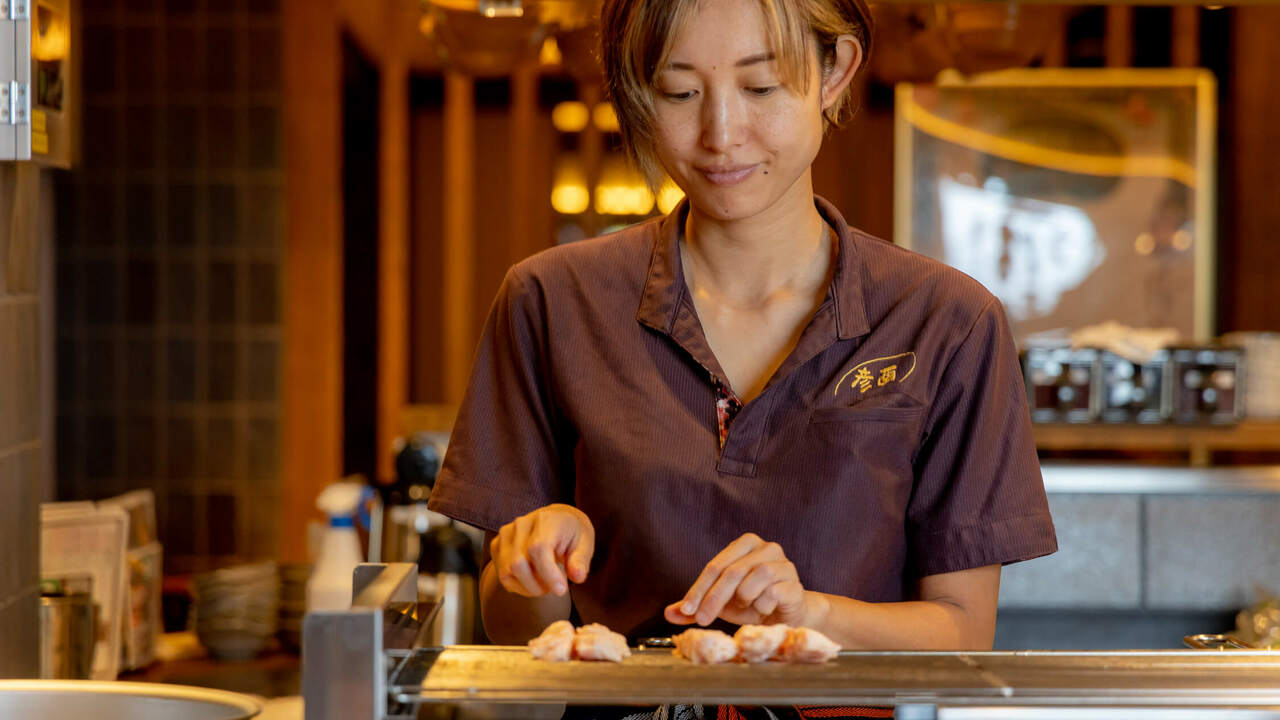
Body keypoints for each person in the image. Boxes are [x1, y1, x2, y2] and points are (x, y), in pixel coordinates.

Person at [428, 0, 1057, 714]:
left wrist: (809, 615)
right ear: (636, 92)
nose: (722, 134)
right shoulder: (551, 300)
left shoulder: (945, 320)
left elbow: (962, 632)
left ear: (835, 72)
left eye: (760, 88)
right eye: (680, 92)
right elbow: (515, 635)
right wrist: (531, 572)